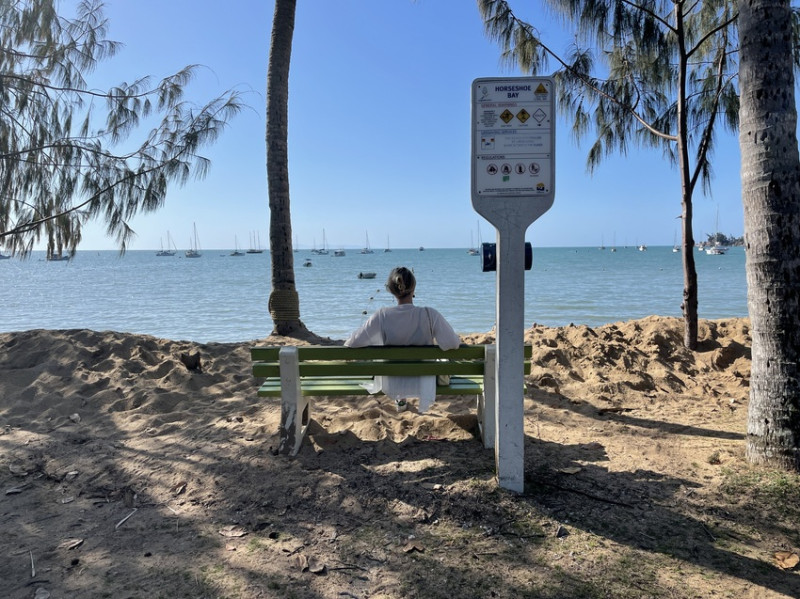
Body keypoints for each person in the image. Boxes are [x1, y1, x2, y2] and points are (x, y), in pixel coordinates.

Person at [345, 266, 461, 412]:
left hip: (391, 383)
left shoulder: (381, 316)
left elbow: (353, 343)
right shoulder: (430, 314)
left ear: (391, 290)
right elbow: (453, 344)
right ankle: (403, 396)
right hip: (423, 382)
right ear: (413, 288)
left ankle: (400, 399)